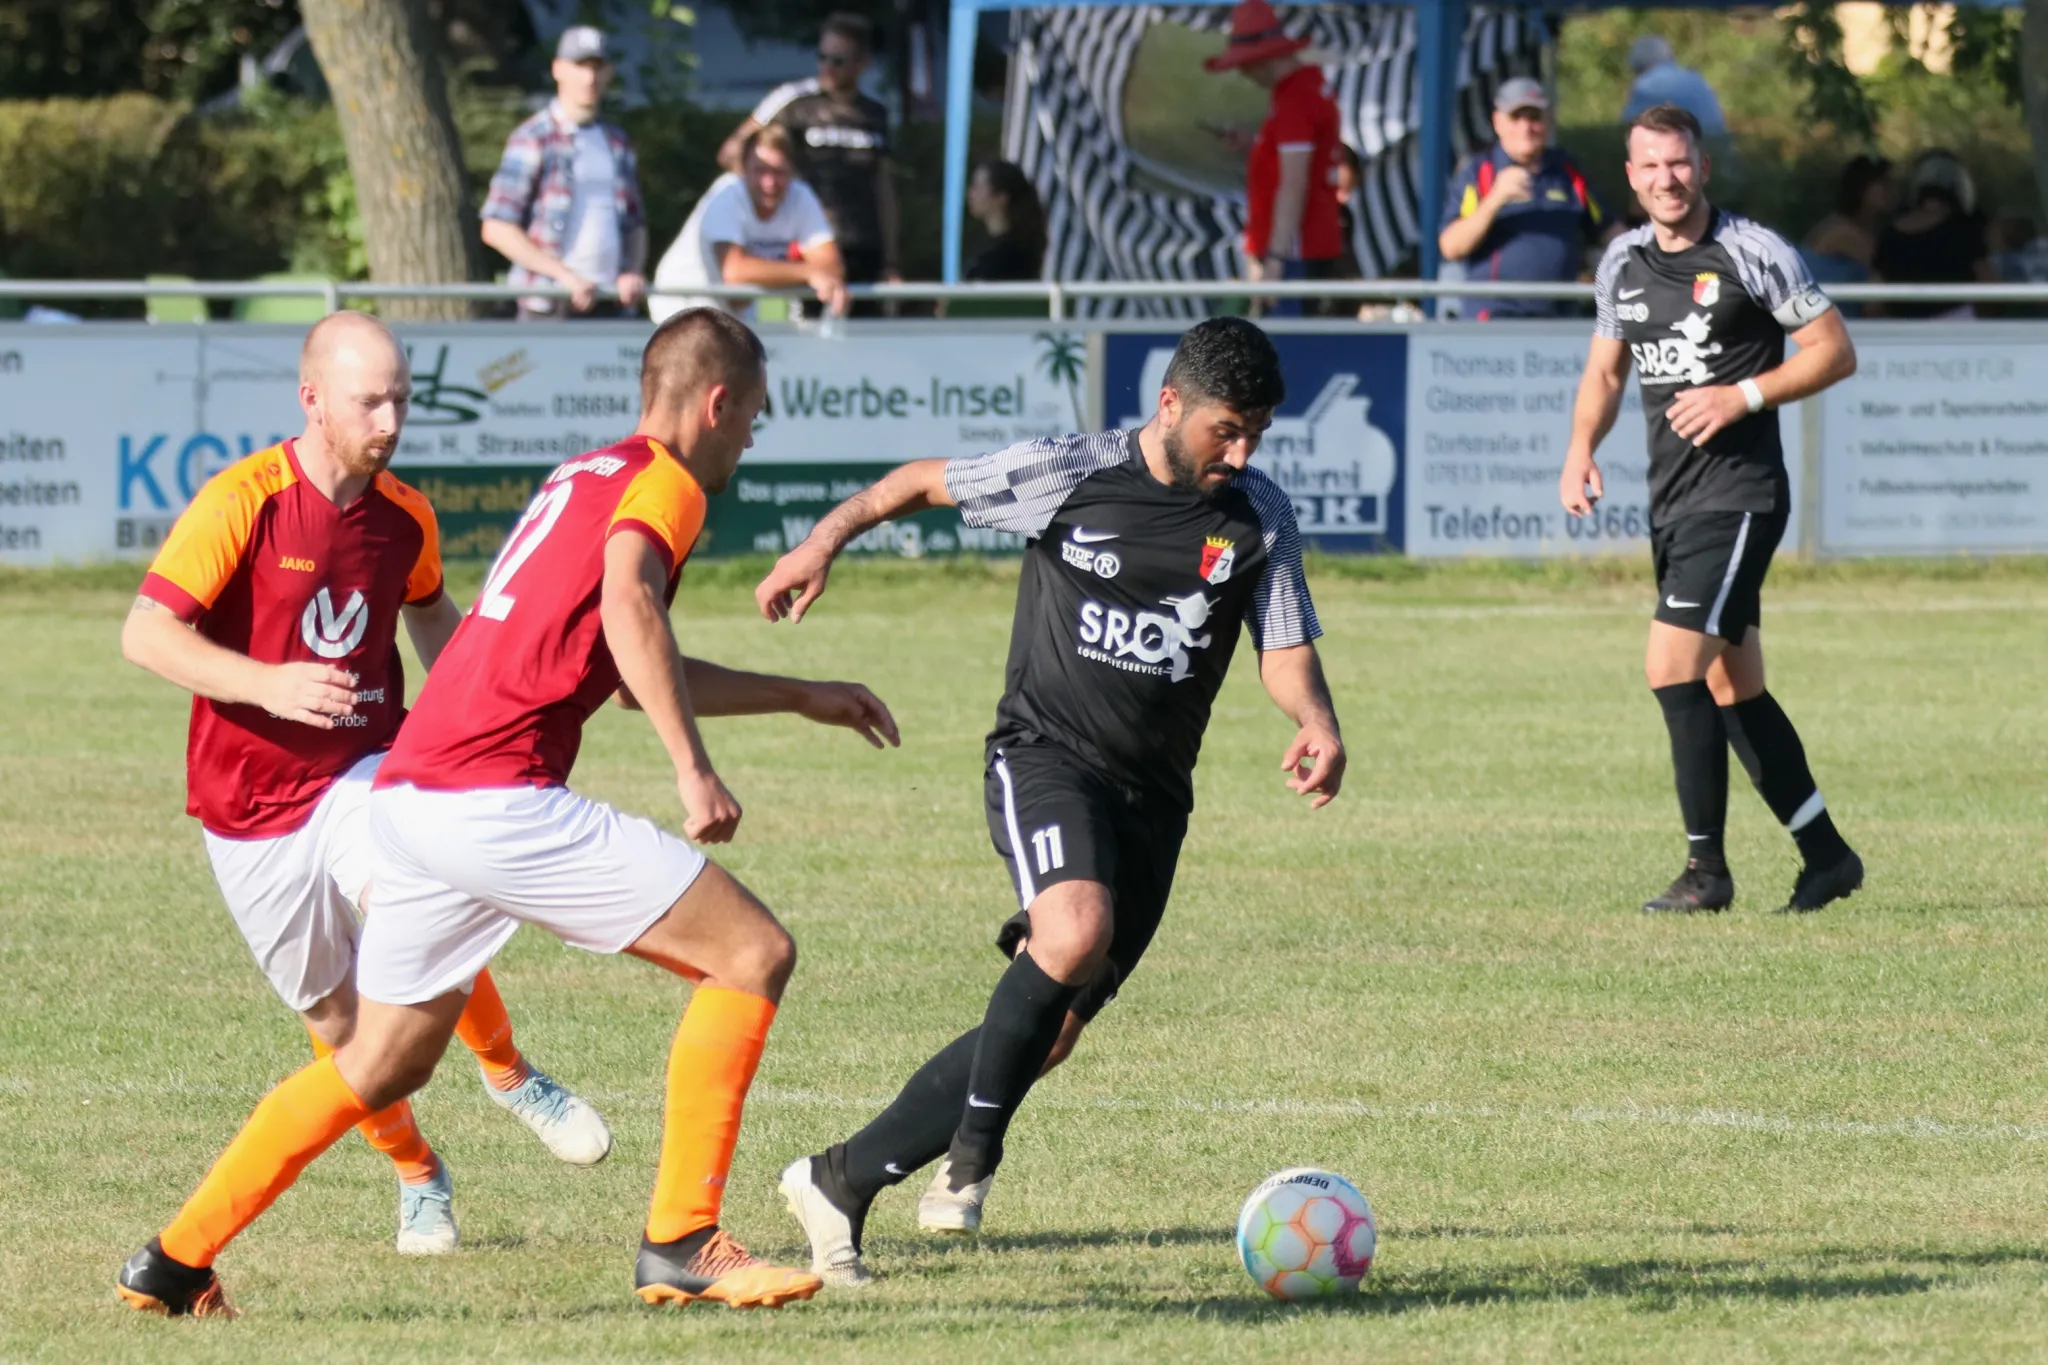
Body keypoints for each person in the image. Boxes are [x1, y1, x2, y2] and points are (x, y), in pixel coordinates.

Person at [115, 309, 904, 1318]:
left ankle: (174, 1261)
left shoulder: (585, 474)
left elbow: (629, 662)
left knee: (383, 1059)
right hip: (490, 797)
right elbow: (631, 610)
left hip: (407, 795)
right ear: (716, 404)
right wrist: (692, 771)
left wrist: (798, 694)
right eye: (752, 417)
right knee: (751, 954)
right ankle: (681, 1239)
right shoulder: (666, 483)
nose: (750, 438)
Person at [757, 317, 1346, 1285]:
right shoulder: (1069, 473)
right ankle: (973, 1159)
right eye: (1226, 431)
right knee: (1071, 931)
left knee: (1052, 1031)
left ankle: (838, 1179)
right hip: (1045, 756)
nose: (1240, 454)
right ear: (1171, 404)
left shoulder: (1258, 513)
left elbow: (1282, 647)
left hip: (1154, 801)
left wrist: (1315, 719)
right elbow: (918, 482)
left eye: (1256, 435)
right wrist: (821, 543)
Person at [116, 313, 610, 1275]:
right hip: (248, 809)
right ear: (312, 400)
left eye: (401, 400)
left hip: (363, 765)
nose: (389, 421)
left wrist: (488, 710)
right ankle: (419, 1172)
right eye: (368, 401)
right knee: (343, 1030)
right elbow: (145, 632)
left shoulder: (405, 515)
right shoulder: (244, 500)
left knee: (423, 895)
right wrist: (267, 683)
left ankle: (510, 1073)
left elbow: (432, 613)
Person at [1558, 104, 1862, 917]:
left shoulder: (1753, 252)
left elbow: (1836, 350)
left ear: (1703, 167)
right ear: (1631, 176)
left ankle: (1706, 871)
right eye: (1651, 165)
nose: (1668, 178)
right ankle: (1827, 856)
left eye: (1680, 162)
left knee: (1670, 668)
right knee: (1734, 686)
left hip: (1741, 496)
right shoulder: (1622, 262)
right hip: (1674, 502)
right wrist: (1580, 449)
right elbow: (1605, 372)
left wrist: (1743, 395)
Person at [716, 12, 898, 313]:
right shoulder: (794, 100)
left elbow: (884, 189)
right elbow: (731, 153)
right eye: (821, 57)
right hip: (810, 249)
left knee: (868, 340)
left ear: (862, 64)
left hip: (866, 251)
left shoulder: (875, 114)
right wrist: (766, 217)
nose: (826, 66)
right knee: (808, 337)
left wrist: (891, 262)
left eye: (838, 60)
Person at [481, 27, 648, 320]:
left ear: (609, 72)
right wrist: (565, 276)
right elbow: (496, 228)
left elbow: (635, 223)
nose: (589, 78)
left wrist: (632, 271)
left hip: (611, 303)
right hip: (548, 304)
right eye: (580, 66)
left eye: (597, 67)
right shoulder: (534, 136)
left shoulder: (616, 141)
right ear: (557, 69)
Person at [1203, 0, 1343, 317]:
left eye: (1244, 64)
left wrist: (1276, 259)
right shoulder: (1304, 88)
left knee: (1287, 344)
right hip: (1300, 249)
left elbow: (1294, 183)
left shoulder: (1296, 98)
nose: (1243, 73)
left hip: (1295, 253)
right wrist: (1255, 144)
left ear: (1260, 58)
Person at [1438, 77, 1609, 321]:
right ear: (1497, 121)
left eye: (1534, 118)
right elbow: (1451, 247)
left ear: (1548, 121)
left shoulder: (1567, 171)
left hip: (1558, 318)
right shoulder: (1479, 171)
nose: (1526, 128)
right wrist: (1495, 199)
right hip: (1494, 318)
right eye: (1516, 118)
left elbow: (1609, 229)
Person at [650, 125, 847, 323]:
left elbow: (831, 264)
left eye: (778, 171)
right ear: (743, 169)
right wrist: (809, 272)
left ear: (792, 171)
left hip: (730, 314)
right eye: (760, 170)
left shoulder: (800, 196)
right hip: (680, 304)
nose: (769, 182)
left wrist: (817, 274)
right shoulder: (726, 195)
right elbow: (735, 273)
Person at [1872, 150, 1993, 320]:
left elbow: (1873, 302)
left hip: (1904, 329)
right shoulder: (1964, 229)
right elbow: (1991, 288)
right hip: (1958, 327)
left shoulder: (1890, 235)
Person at [1802, 154, 1894, 316]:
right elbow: (1883, 273)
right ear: (1862, 189)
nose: (1892, 190)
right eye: (1884, 184)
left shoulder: (1869, 228)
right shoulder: (1843, 232)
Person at [1621, 36, 1727, 139]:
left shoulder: (1647, 84)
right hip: (1717, 144)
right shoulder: (1695, 78)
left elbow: (1628, 125)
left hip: (1687, 146)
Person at [964, 159, 1047, 282]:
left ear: (1001, 198)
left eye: (978, 188)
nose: (970, 194)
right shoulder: (989, 251)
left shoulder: (1010, 257)